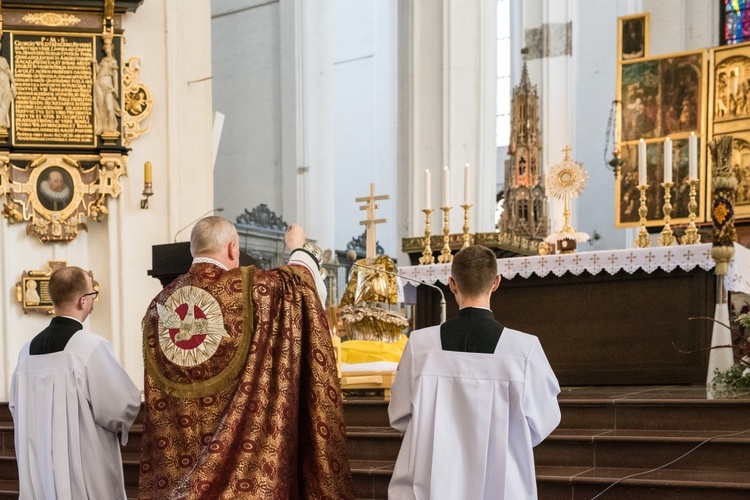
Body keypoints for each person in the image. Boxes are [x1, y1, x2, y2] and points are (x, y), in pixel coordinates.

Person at [140, 216, 354, 499]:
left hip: (179, 461)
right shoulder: (251, 289)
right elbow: (297, 284)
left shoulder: (159, 306)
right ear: (232, 248)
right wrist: (298, 247)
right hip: (246, 474)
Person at [388, 245, 561, 499]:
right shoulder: (523, 349)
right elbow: (542, 422)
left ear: (452, 284)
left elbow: (399, 415)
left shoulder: (420, 345)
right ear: (496, 283)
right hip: (501, 484)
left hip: (430, 481)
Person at [9, 266, 141, 499]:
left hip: (38, 472)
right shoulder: (90, 348)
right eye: (92, 295)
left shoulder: (26, 352)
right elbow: (121, 408)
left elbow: (16, 408)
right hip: (84, 473)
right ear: (83, 301)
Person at [92, 37, 120, 135]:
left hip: (108, 86)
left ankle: (111, 127)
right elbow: (98, 71)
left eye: (109, 48)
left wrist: (116, 88)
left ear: (111, 49)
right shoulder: (103, 60)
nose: (107, 50)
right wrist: (95, 63)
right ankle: (102, 126)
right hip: (99, 83)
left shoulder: (113, 61)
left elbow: (115, 76)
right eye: (106, 49)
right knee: (101, 107)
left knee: (109, 107)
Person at [0, 41, 16, 129]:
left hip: (4, 81)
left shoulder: (3, 60)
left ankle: (1, 122)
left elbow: (9, 73)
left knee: (5, 102)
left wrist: (14, 84)